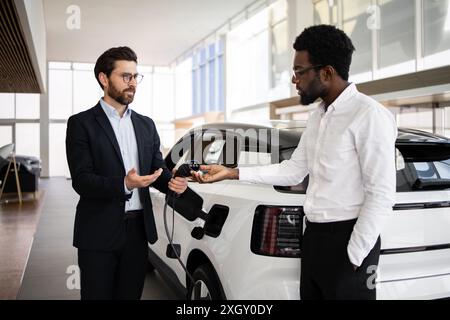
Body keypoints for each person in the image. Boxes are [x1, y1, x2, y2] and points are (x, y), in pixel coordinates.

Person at [191, 25, 397, 300]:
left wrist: (354, 255)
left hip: (347, 241)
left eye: (300, 71)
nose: (293, 79)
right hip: (313, 237)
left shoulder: (368, 115)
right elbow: (293, 170)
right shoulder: (318, 117)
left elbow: (381, 194)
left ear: (326, 72)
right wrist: (231, 172)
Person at [65, 46, 188, 300]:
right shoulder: (81, 124)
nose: (132, 83)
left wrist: (173, 182)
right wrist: (124, 183)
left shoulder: (146, 124)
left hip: (137, 232)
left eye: (135, 77)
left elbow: (158, 170)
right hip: (97, 231)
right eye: (125, 76)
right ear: (104, 78)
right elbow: (82, 180)